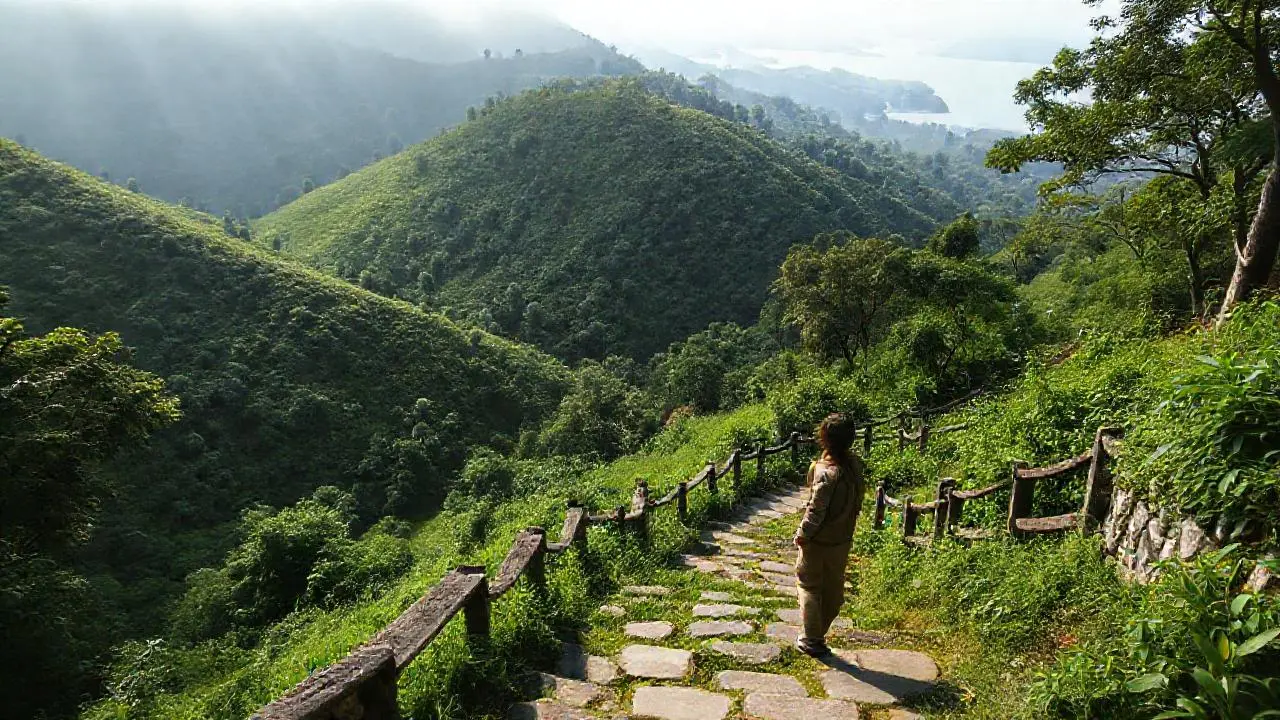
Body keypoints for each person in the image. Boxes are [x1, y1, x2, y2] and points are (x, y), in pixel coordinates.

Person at [792, 413, 866, 657]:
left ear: (824, 437)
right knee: (833, 592)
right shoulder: (854, 466)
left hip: (819, 540)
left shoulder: (825, 470)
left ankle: (812, 639)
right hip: (841, 540)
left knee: (809, 586)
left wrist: (803, 534)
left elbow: (816, 509)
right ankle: (817, 634)